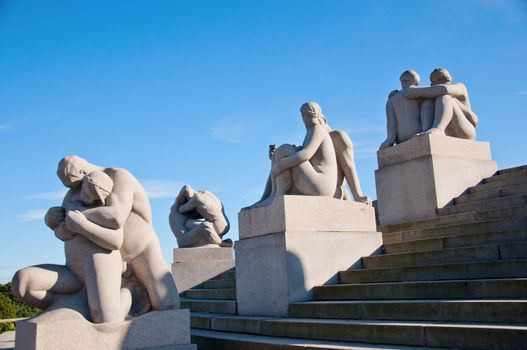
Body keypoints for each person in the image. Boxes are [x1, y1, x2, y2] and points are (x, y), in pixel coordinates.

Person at [13, 156, 180, 319]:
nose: (76, 192)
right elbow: (65, 230)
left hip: (140, 249)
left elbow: (116, 216)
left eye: (78, 184)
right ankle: (75, 306)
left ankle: (131, 291)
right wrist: (51, 221)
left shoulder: (118, 177)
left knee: (168, 305)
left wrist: (76, 217)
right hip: (101, 257)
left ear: (84, 172)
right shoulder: (74, 192)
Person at [12, 171, 130, 323]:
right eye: (91, 193)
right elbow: (61, 233)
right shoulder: (71, 199)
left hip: (101, 266)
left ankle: (129, 292)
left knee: (106, 320)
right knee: (23, 283)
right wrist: (51, 220)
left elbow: (115, 241)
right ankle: (72, 305)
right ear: (84, 184)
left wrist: (82, 225)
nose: (93, 199)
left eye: (98, 196)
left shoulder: (107, 206)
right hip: (73, 270)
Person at [248, 102, 338, 208]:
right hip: (319, 183)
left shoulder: (317, 129)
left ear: (303, 116)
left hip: (321, 184)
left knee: (285, 149)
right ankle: (268, 197)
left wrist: (281, 165)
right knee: (282, 151)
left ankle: (276, 195)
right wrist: (276, 157)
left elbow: (305, 154)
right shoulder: (314, 131)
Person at [405, 68, 478, 139]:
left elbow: (444, 89)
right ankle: (426, 130)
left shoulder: (460, 87)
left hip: (464, 131)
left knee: (445, 97)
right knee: (428, 101)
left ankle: (439, 129)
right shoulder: (433, 93)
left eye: (434, 81)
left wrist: (417, 91)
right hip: (448, 132)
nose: (432, 85)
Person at [379, 70, 423, 149]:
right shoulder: (421, 92)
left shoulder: (391, 100)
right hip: (418, 133)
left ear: (403, 81)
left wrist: (389, 140)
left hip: (400, 139)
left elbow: (391, 125)